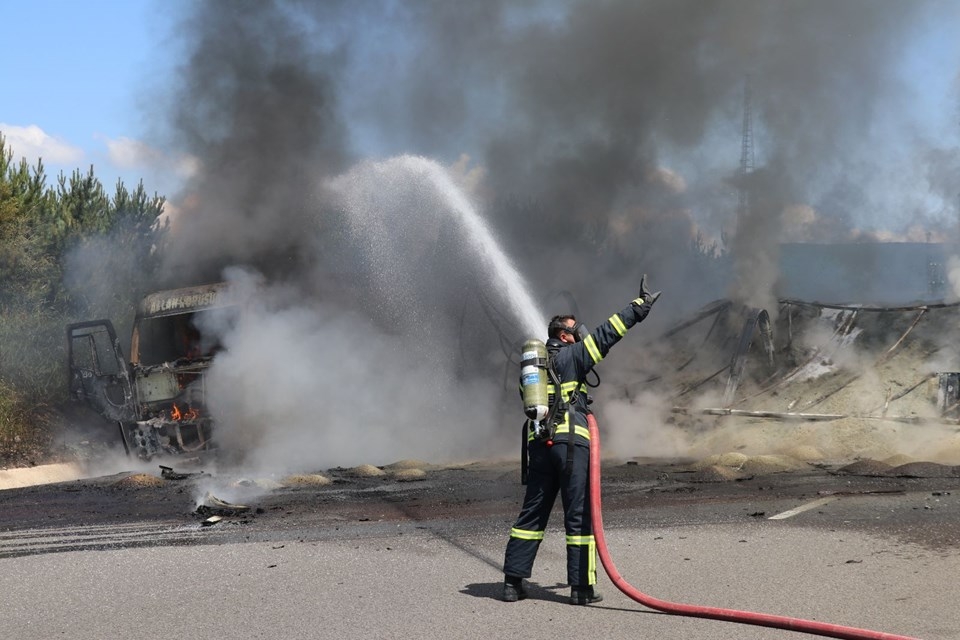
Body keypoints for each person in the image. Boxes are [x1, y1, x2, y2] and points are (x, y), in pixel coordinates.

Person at [502, 276, 661, 605]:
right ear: (564, 336)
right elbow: (608, 333)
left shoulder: (533, 369)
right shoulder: (572, 356)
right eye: (576, 331)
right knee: (579, 515)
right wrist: (639, 307)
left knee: (531, 515)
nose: (581, 334)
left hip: (539, 448)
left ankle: (512, 584)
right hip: (571, 447)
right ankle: (582, 588)